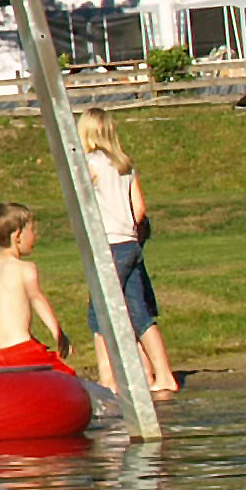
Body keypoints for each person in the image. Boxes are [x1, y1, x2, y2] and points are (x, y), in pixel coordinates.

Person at [78, 107, 176, 397]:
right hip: (131, 243)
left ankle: (108, 377)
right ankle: (161, 373)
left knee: (99, 314)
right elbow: (140, 210)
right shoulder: (125, 165)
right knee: (139, 312)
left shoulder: (89, 165)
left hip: (107, 245)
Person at [0, 201, 71, 370]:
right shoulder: (24, 268)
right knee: (67, 382)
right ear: (17, 235)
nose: (36, 236)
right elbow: (37, 299)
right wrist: (58, 333)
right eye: (32, 230)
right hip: (21, 352)